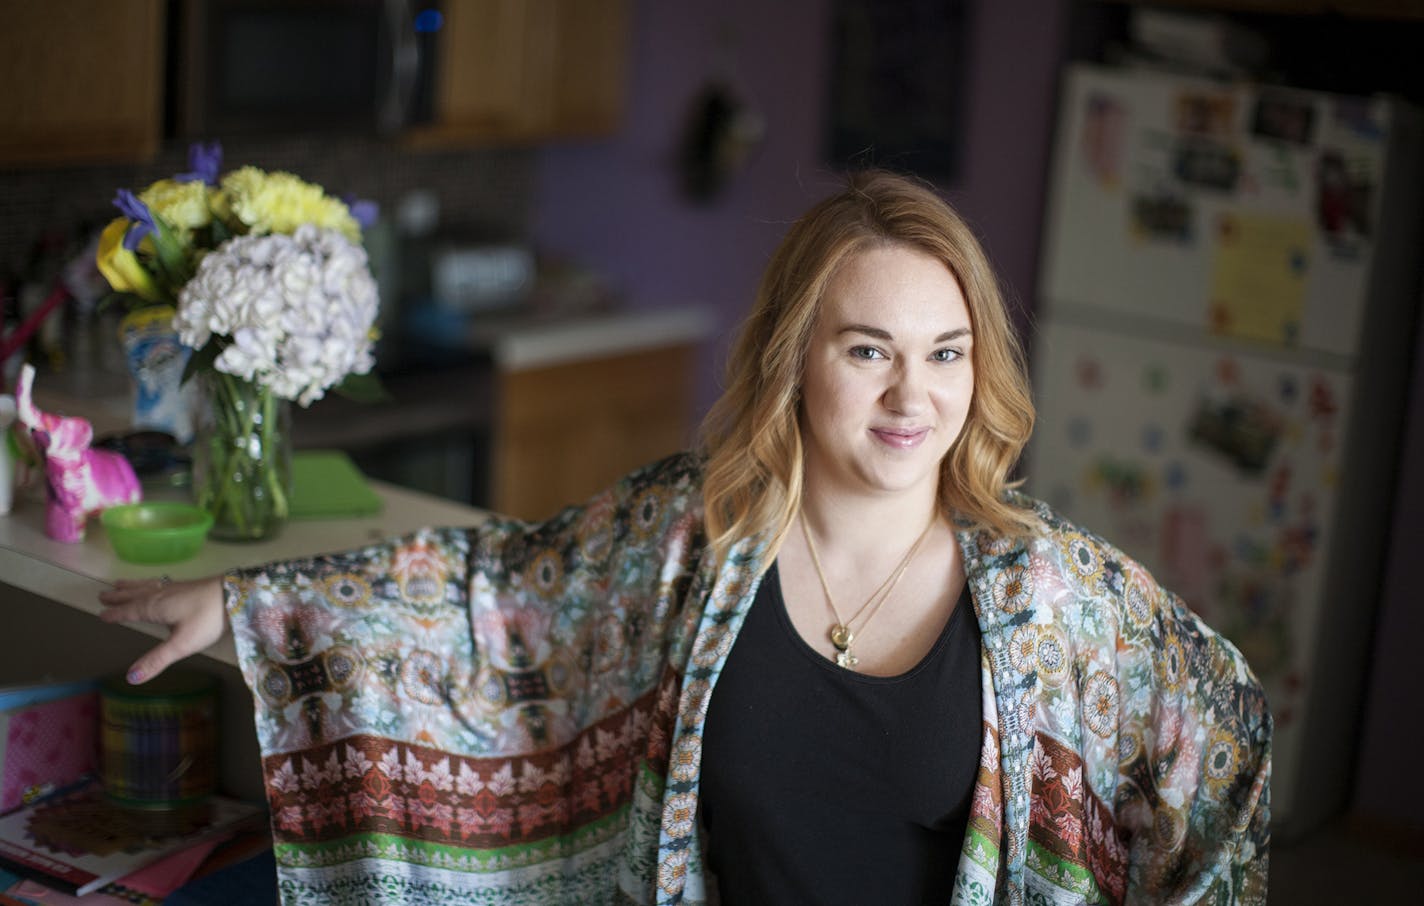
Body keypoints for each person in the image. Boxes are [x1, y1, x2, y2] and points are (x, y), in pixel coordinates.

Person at [99, 170, 1271, 905]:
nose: (912, 395)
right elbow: (496, 591)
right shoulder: (691, 537)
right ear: (795, 363)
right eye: (867, 350)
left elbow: (1224, 733)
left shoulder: (1049, 596)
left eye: (945, 351)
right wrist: (256, 607)